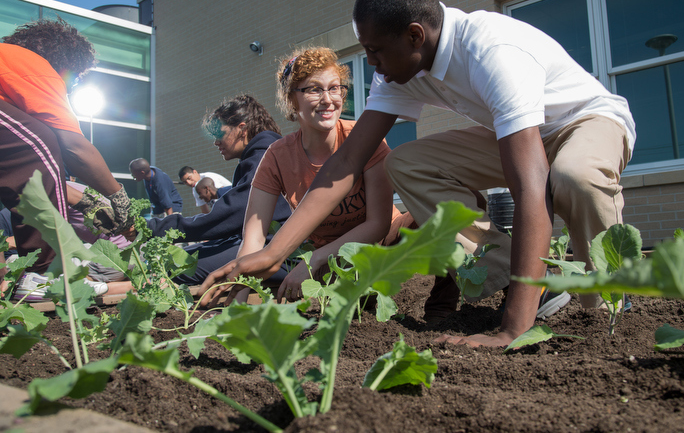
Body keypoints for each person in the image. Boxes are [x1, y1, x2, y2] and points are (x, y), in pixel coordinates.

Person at [200, 0, 636, 347]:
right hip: (523, 134)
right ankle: (528, 285)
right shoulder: (398, 70)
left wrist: (512, 329)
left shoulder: (492, 53)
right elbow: (347, 161)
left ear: (414, 36)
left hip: (584, 121)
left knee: (572, 176)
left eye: (375, 50)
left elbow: (530, 187)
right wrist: (274, 254)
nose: (371, 63)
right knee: (406, 164)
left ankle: (608, 306)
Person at [198, 47, 416, 303]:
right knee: (277, 292)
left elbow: (377, 225)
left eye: (335, 88)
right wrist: (238, 299)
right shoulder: (277, 157)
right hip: (331, 262)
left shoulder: (362, 137)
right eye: (314, 89)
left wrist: (315, 260)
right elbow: (254, 239)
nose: (328, 99)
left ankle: (440, 307)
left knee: (432, 217)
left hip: (382, 243)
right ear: (292, 99)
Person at [0, 19, 132, 292]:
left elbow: (20, 176)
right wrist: (119, 198)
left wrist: (85, 201)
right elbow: (73, 147)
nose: (71, 87)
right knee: (40, 141)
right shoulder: (36, 66)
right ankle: (45, 273)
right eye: (77, 78)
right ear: (65, 63)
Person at [145, 94, 291, 286]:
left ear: (242, 129)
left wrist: (155, 228)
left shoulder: (262, 158)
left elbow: (228, 216)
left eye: (220, 134)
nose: (216, 142)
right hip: (261, 244)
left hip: (279, 255)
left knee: (171, 265)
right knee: (175, 258)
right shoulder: (259, 156)